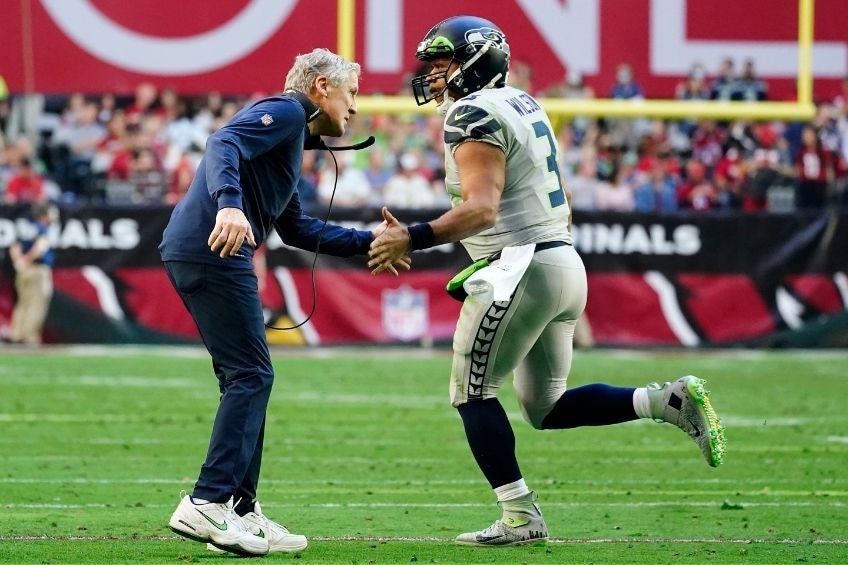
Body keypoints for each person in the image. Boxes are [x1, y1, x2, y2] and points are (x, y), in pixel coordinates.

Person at [368, 15, 727, 547]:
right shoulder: (524, 103)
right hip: (560, 261)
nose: (435, 77)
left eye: (443, 64)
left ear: (474, 61)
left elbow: (482, 209)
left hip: (523, 269)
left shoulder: (471, 113)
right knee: (545, 406)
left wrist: (412, 238)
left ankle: (520, 517)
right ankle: (665, 401)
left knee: (472, 393)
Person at [160, 48, 408, 557]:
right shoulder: (291, 110)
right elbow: (221, 140)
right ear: (321, 86)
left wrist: (370, 242)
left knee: (246, 376)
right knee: (252, 375)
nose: (355, 107)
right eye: (352, 93)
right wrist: (229, 204)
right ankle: (207, 501)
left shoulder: (291, 136)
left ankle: (241, 510)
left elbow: (295, 227)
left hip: (203, 249)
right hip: (213, 248)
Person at [8, 202, 55, 345]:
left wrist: (19, 261)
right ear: (44, 215)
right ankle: (29, 337)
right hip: (37, 270)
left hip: (23, 270)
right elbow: (40, 248)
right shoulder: (42, 229)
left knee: (23, 303)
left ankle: (16, 334)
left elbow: (14, 247)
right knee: (36, 304)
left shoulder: (25, 228)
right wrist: (28, 260)